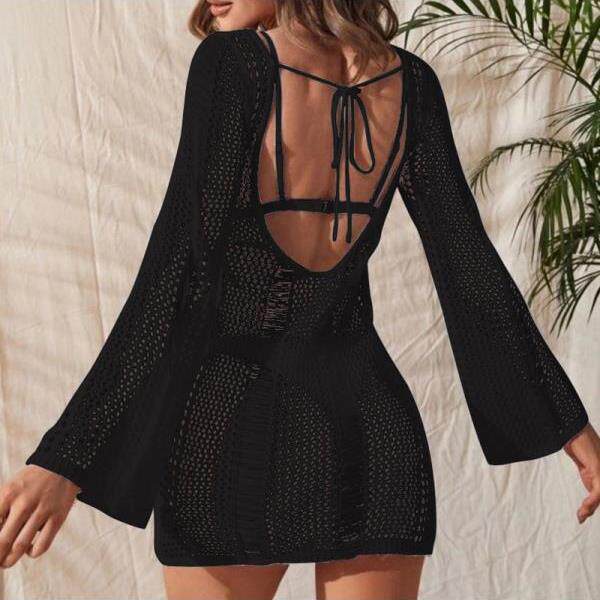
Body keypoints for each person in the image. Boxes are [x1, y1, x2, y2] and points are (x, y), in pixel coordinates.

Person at [1, 1, 599, 599]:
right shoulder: (411, 84)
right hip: (371, 432)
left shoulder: (232, 64)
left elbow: (177, 270)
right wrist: (571, 427)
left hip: (230, 432)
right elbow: (468, 265)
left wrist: (67, 458)